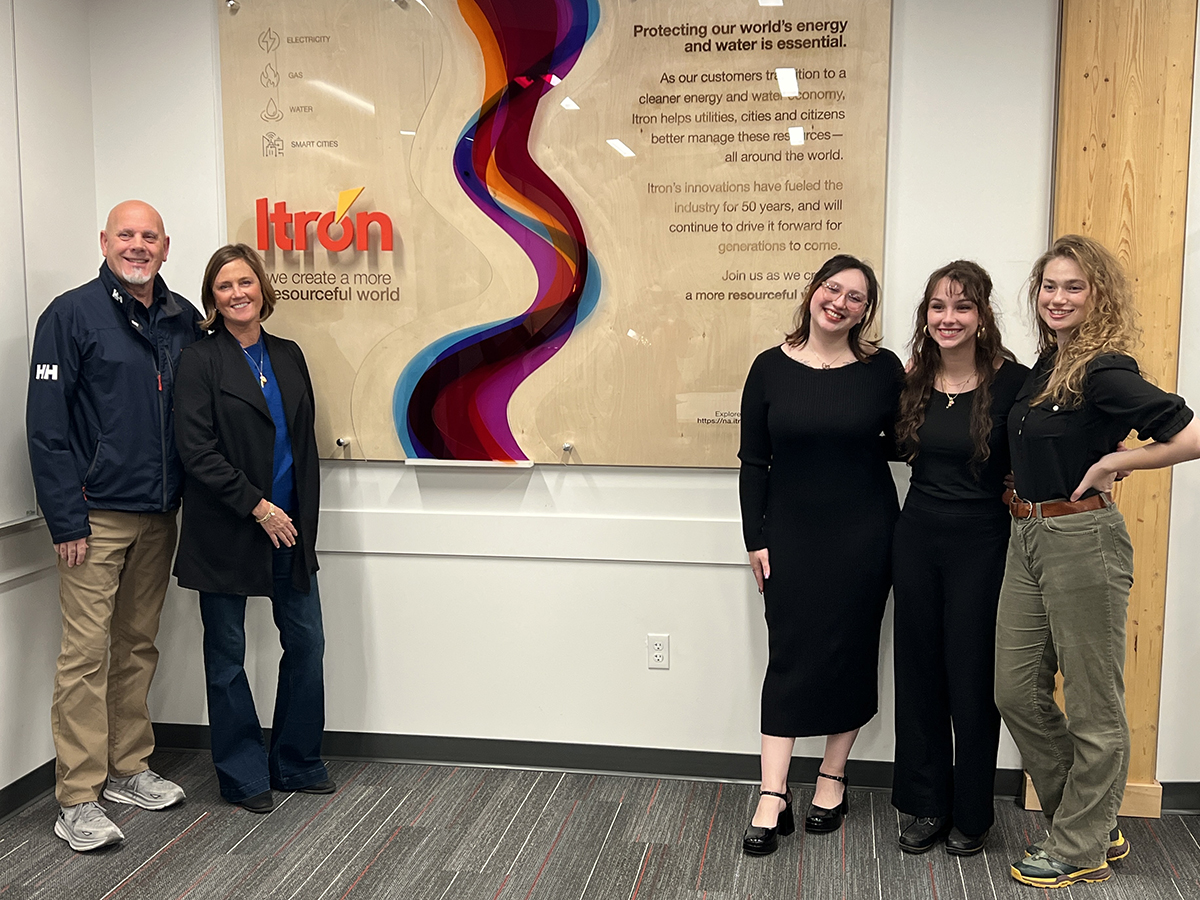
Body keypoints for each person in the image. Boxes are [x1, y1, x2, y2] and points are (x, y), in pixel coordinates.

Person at [997, 235, 1200, 888]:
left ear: (1098, 295)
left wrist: (1119, 460)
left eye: (1073, 287)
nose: (1057, 298)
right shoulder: (1047, 364)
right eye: (1049, 286)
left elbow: (1190, 434)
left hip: (1083, 538)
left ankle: (1079, 845)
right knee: (1015, 690)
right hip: (1026, 535)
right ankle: (1089, 822)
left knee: (1093, 703)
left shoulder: (1103, 368)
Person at [26, 200, 197, 851]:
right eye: (126, 234)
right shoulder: (71, 315)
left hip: (160, 515)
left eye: (148, 236)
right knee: (84, 656)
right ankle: (76, 797)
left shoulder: (181, 319)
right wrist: (64, 517)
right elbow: (45, 427)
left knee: (137, 646)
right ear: (104, 241)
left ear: (165, 246)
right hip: (93, 519)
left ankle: (129, 767)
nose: (137, 245)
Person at [738, 254, 904, 856]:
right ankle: (772, 791)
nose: (840, 302)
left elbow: (910, 441)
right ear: (813, 292)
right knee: (789, 653)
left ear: (867, 311)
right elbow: (754, 463)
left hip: (866, 533)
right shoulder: (769, 368)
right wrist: (754, 537)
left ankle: (833, 776)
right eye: (832, 288)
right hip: (790, 535)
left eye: (856, 297)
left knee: (853, 649)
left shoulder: (883, 370)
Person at [174, 244, 333, 813]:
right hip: (229, 528)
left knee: (307, 642)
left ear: (262, 288)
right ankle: (243, 776)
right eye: (224, 286)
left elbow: (304, 446)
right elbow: (196, 451)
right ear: (211, 299)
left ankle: (295, 761)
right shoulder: (199, 361)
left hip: (289, 529)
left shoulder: (289, 354)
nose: (237, 293)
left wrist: (293, 517)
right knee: (227, 654)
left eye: (245, 282)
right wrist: (257, 506)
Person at [890, 261, 1028, 856]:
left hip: (983, 543)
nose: (948, 318)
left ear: (982, 316)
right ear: (926, 315)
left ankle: (971, 813)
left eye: (962, 307)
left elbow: (1047, 448)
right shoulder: (911, 380)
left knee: (971, 679)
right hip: (916, 536)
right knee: (918, 674)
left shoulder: (1014, 383)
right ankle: (925, 805)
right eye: (938, 307)